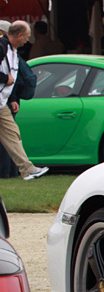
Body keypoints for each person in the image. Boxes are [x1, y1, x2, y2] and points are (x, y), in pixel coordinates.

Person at [0, 21, 48, 180]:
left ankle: (28, 170)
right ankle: (28, 169)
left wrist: (12, 98)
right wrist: (3, 78)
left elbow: (11, 76)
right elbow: (7, 76)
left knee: (13, 134)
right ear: (19, 35)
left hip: (2, 103)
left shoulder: (13, 51)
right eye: (27, 37)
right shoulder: (2, 47)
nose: (28, 40)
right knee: (12, 135)